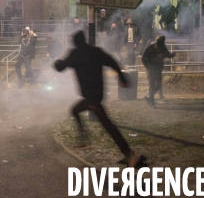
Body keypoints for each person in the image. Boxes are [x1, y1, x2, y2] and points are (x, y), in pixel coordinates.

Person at [54, 31, 142, 167]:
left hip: (91, 97)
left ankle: (129, 155)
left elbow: (61, 67)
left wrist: (57, 63)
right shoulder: (95, 51)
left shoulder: (75, 54)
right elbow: (113, 62)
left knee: (106, 124)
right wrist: (122, 78)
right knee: (79, 112)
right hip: (96, 95)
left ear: (76, 42)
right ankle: (126, 152)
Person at [141, 36, 176, 108]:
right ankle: (151, 103)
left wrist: (172, 55)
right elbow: (143, 58)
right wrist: (148, 67)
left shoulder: (163, 48)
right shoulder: (150, 48)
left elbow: (167, 54)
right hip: (150, 69)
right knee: (152, 85)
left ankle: (149, 96)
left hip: (158, 69)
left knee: (158, 85)